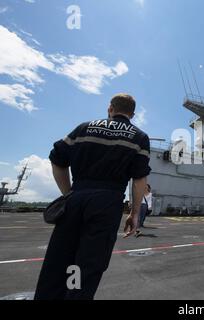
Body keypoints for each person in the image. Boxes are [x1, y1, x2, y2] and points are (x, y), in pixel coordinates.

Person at [34, 93, 151, 300]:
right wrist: (133, 214)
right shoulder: (139, 137)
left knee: (59, 258)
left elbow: (57, 159)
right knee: (88, 263)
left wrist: (68, 193)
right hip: (107, 202)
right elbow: (139, 179)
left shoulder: (83, 127)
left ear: (110, 109)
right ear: (132, 114)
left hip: (76, 197)